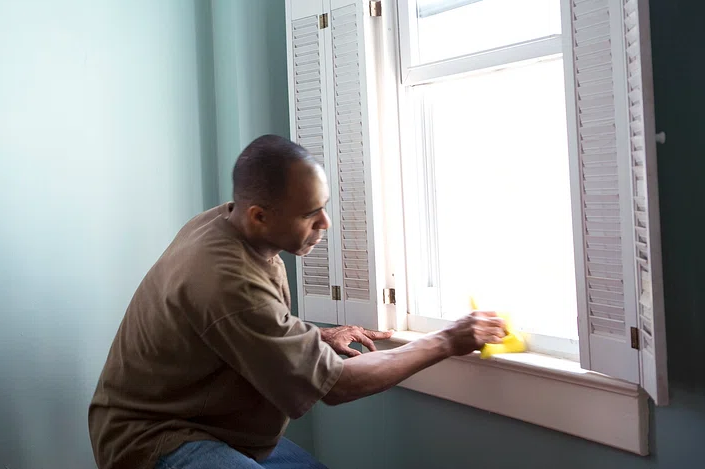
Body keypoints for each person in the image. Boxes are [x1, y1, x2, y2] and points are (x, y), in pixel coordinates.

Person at [88, 135, 505, 469]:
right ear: (259, 216)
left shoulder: (226, 221)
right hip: (154, 439)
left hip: (212, 425)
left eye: (323, 208)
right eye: (310, 214)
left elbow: (231, 328)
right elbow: (338, 385)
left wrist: (313, 337)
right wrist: (449, 339)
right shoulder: (226, 280)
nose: (325, 223)